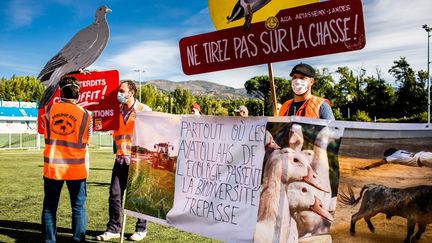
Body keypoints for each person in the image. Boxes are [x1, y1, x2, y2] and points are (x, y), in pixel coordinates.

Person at [96, 80, 152, 241]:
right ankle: (114, 228)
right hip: (120, 159)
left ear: (131, 93)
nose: (118, 94)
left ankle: (141, 229)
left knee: (139, 196)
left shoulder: (144, 110)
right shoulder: (115, 111)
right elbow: (103, 124)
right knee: (115, 194)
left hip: (139, 161)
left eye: (122, 91)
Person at [41, 76, 92, 243]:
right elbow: (87, 141)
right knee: (78, 208)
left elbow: (45, 135)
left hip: (53, 168)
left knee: (49, 208)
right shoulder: (86, 114)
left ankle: (50, 240)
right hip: (76, 170)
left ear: (60, 91)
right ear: (78, 93)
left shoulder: (49, 110)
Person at [359, 148, 432, 170]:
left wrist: (367, 167)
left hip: (423, 159)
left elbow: (379, 163)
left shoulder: (393, 156)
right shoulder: (399, 151)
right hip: (424, 156)